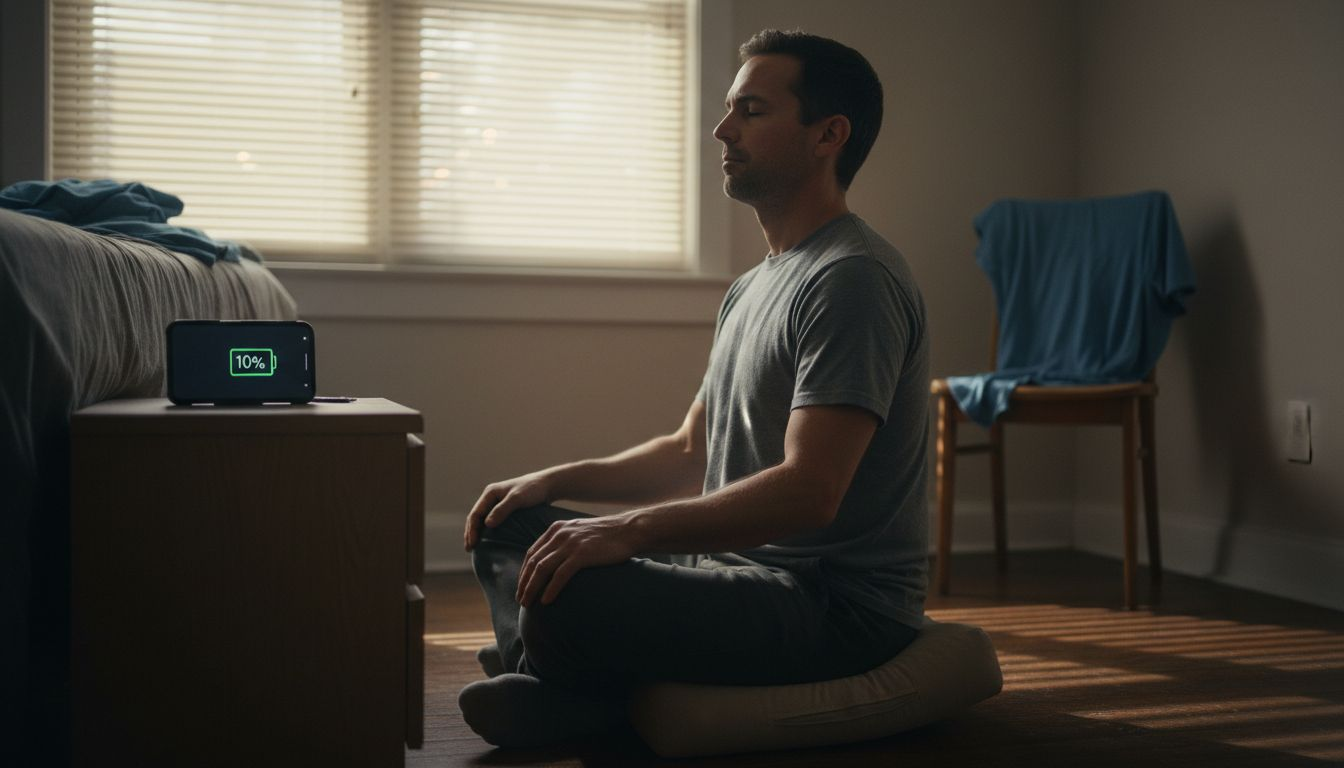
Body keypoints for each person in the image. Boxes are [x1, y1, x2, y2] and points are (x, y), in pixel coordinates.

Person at [458, 28, 930, 749]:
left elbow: (812, 491)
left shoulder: (852, 279)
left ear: (827, 135)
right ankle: (558, 676)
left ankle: (566, 688)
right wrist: (544, 482)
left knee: (572, 589)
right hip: (736, 573)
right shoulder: (751, 288)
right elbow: (689, 447)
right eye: (729, 109)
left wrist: (627, 530)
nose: (722, 129)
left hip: (833, 604)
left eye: (751, 110)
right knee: (510, 524)